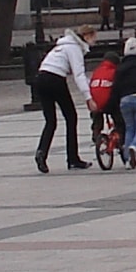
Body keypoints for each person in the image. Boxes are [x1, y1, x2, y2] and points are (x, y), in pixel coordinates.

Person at [33, 23, 94, 172]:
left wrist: (90, 85)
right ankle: (73, 159)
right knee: (71, 117)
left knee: (51, 121)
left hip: (41, 78)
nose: (95, 41)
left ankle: (41, 152)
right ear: (86, 36)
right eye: (93, 38)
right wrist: (89, 97)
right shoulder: (74, 48)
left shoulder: (61, 46)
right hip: (55, 79)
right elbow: (78, 75)